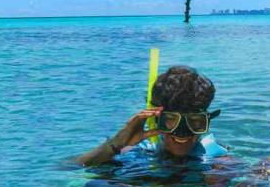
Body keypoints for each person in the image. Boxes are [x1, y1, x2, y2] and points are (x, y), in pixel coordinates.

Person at [77, 65, 228, 166]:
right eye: (171, 120)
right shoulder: (135, 149)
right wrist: (116, 144)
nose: (182, 132)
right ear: (156, 119)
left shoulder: (217, 158)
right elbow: (70, 168)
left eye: (195, 122)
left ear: (206, 122)